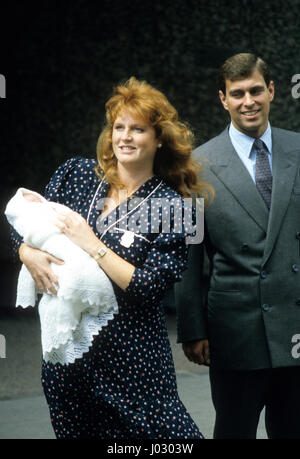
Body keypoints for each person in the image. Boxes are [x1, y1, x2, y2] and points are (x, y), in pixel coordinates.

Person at [10, 77, 208, 439]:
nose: (125, 137)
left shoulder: (175, 207)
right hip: (69, 361)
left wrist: (91, 243)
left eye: (138, 129)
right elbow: (25, 222)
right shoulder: (77, 175)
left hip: (134, 365)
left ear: (159, 137)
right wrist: (26, 253)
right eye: (119, 127)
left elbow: (149, 288)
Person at [175, 53, 300, 439]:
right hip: (235, 332)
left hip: (295, 326)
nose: (249, 100)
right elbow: (188, 257)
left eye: (256, 90)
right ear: (223, 99)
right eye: (238, 93)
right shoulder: (195, 166)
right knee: (233, 431)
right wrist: (193, 328)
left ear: (272, 91)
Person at [5, 188, 118, 365]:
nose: (34, 203)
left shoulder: (165, 201)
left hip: (125, 349)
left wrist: (93, 246)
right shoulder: (75, 173)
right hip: (65, 372)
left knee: (80, 273)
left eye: (35, 200)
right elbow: (18, 228)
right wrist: (25, 251)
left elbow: (151, 284)